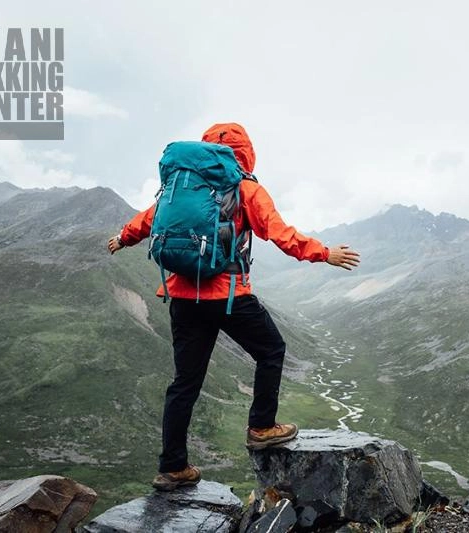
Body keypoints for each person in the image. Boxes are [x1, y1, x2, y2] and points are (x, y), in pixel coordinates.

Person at [107, 123, 360, 490]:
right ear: (246, 152)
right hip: (228, 296)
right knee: (272, 350)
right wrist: (324, 254)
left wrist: (121, 238)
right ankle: (261, 427)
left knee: (185, 383)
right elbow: (279, 233)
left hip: (182, 297)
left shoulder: (182, 185)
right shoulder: (245, 189)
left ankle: (172, 467)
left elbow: (148, 220)